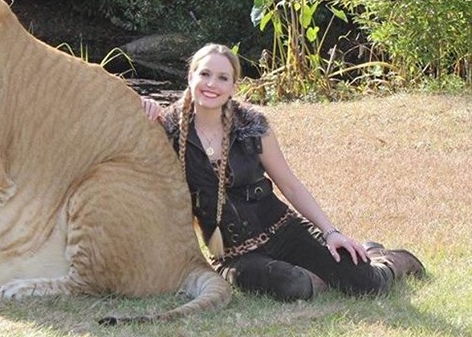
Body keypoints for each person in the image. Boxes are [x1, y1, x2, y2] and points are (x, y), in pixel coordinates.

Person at [140, 43, 425, 302]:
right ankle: (310, 274)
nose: (212, 84)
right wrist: (142, 112)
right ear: (190, 77)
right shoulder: (167, 129)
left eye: (223, 77)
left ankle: (385, 258)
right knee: (292, 286)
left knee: (365, 283)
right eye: (205, 74)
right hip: (234, 254)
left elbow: (290, 186)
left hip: (283, 229)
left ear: (234, 86)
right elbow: (144, 182)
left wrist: (330, 233)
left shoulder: (251, 124)